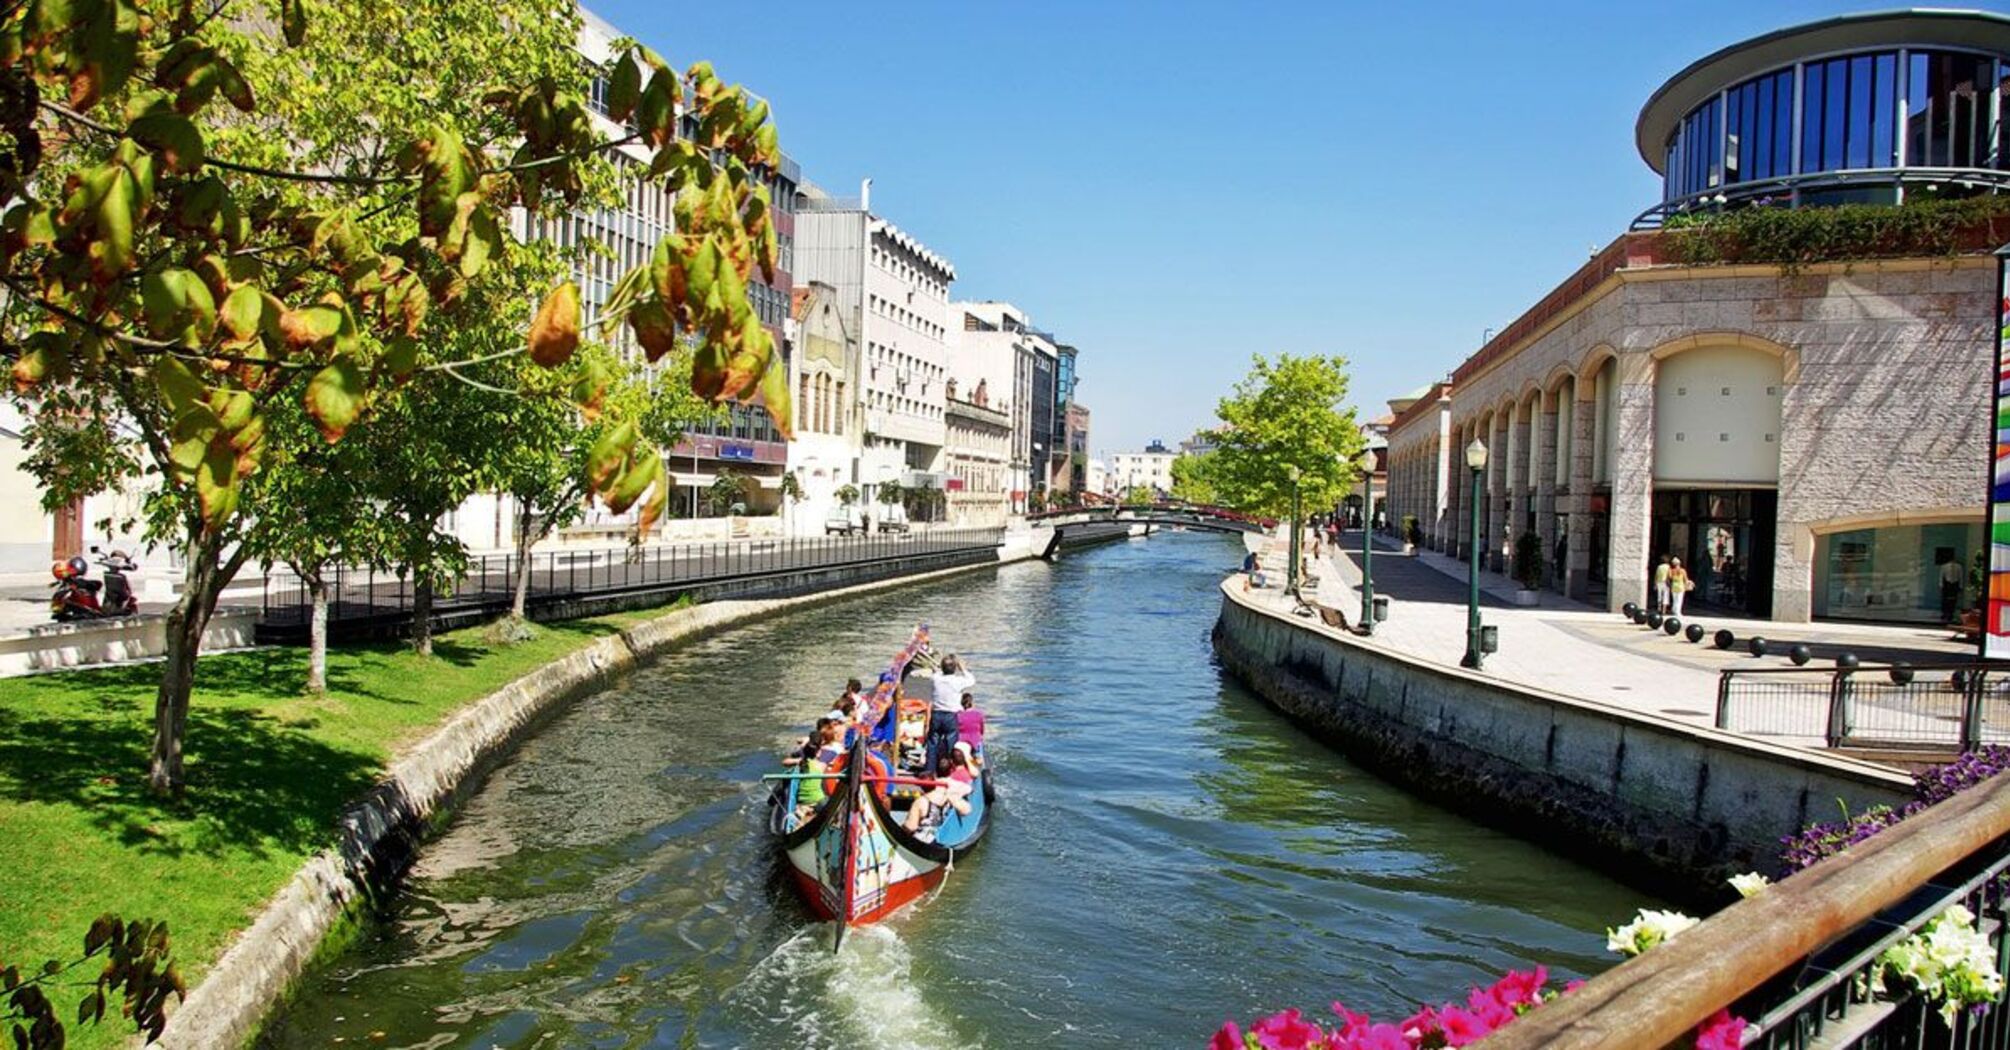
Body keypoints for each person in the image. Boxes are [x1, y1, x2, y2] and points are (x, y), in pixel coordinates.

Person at [904, 755, 973, 843]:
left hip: (922, 840)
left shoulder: (920, 802)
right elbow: (967, 810)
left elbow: (911, 827)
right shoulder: (946, 795)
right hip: (940, 836)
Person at [927, 654, 973, 774]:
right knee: (951, 744)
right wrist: (963, 668)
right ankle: (950, 770)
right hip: (950, 716)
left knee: (932, 743)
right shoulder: (958, 681)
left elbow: (935, 672)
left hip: (936, 714)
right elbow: (972, 680)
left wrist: (938, 668)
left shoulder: (936, 678)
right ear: (955, 668)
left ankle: (930, 770)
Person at [956, 692, 986, 763]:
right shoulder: (979, 714)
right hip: (976, 740)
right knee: (979, 759)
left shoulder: (958, 715)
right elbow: (982, 730)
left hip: (961, 740)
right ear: (971, 703)